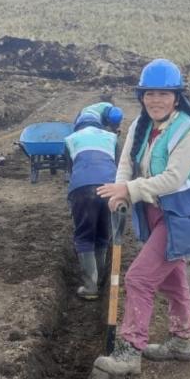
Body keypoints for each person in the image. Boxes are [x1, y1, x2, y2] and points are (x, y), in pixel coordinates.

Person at [94, 58, 190, 375]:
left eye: (164, 94)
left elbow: (173, 179)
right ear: (141, 96)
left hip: (182, 216)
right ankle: (182, 342)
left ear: (177, 97)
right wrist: (120, 188)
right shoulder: (141, 125)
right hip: (156, 212)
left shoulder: (188, 132)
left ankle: (129, 351)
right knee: (173, 280)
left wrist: (129, 191)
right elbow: (126, 162)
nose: (156, 100)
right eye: (149, 94)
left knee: (139, 278)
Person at [64, 108, 121, 299]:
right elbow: (119, 166)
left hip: (82, 189)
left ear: (78, 124)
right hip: (110, 188)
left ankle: (90, 287)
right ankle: (102, 279)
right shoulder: (112, 137)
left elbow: (70, 170)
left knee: (84, 236)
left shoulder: (71, 139)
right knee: (103, 235)